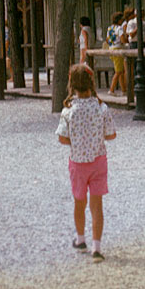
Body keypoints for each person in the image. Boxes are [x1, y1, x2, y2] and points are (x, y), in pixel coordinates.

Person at [57, 64, 117, 263]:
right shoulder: (101, 108)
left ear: (72, 85)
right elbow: (111, 135)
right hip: (98, 161)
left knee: (79, 202)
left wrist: (77, 140)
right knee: (97, 205)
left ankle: (80, 238)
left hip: (78, 162)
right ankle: (96, 246)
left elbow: (62, 138)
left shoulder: (68, 111)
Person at [107, 12, 126, 96]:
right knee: (118, 71)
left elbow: (107, 39)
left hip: (111, 48)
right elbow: (122, 39)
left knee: (120, 70)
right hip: (118, 49)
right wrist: (126, 41)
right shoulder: (119, 28)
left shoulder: (110, 28)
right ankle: (111, 89)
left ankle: (123, 90)